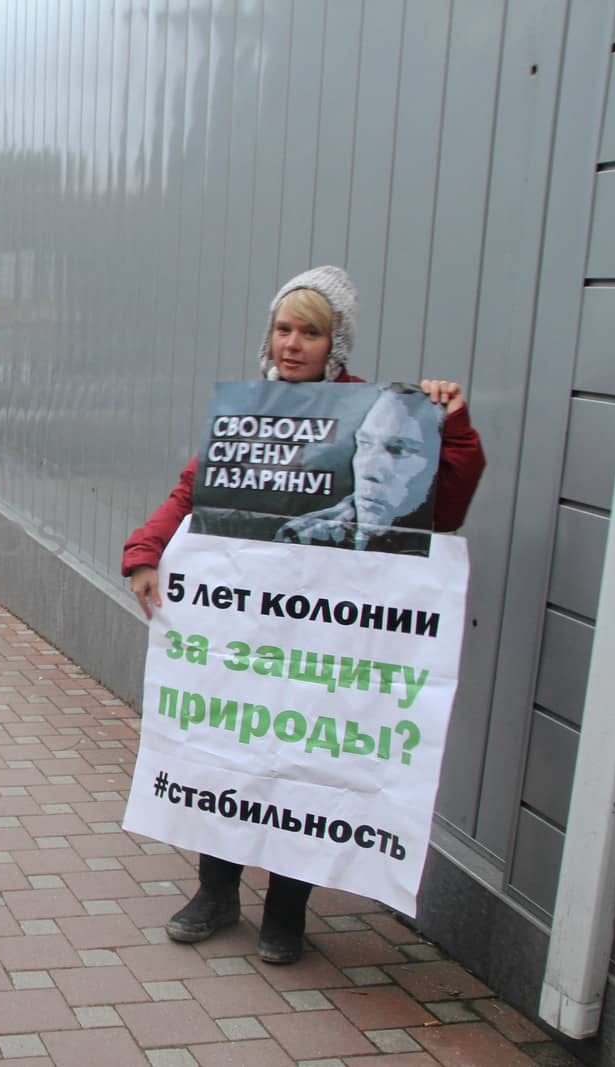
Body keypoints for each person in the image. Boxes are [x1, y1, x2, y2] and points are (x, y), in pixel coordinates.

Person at [120, 265, 485, 964]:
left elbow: (442, 509)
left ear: (335, 341)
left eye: (310, 331)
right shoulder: (249, 410)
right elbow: (192, 490)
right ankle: (215, 892)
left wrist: (455, 429)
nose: (293, 344)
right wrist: (147, 550)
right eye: (284, 328)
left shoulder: (382, 415)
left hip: (327, 636)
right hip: (246, 630)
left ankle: (286, 913)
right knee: (228, 747)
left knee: (311, 757)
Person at [276, 384, 443, 553]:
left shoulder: (436, 537)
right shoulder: (306, 535)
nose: (369, 471)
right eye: (365, 443)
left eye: (398, 450)